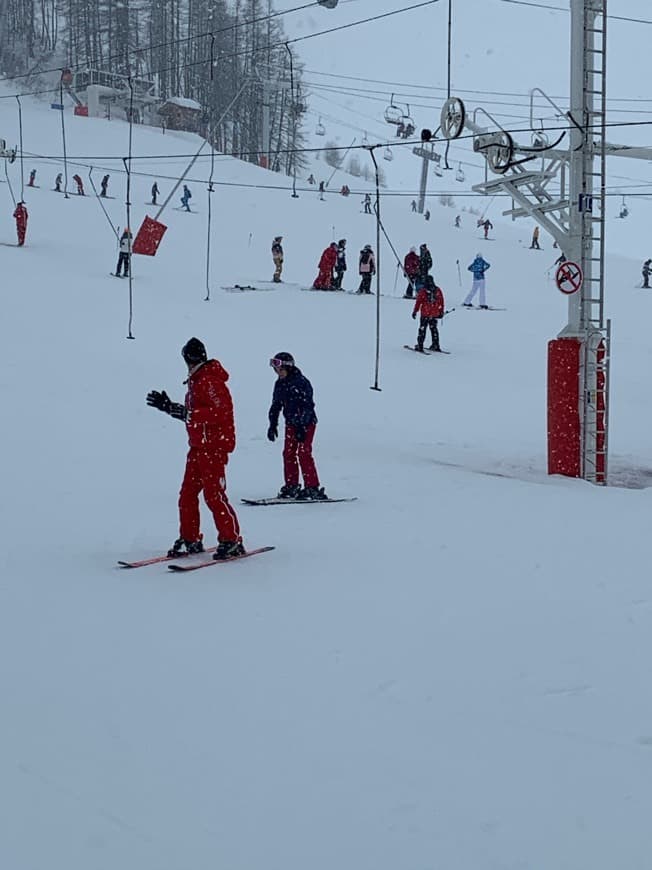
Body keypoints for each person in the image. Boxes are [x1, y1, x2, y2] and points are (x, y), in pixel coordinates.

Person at [146, 338, 244, 561]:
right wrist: (171, 408)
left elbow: (222, 412)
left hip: (214, 447)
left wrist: (188, 413)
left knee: (213, 495)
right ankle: (190, 538)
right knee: (187, 494)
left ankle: (231, 540)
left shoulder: (208, 381)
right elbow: (195, 416)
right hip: (199, 447)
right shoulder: (196, 381)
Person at [267, 352, 326, 501]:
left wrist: (301, 426)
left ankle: (312, 487)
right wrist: (272, 424)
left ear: (289, 368)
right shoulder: (280, 384)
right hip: (291, 424)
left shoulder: (301, 383)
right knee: (288, 453)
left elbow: (307, 406)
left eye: (280, 370)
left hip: (306, 423)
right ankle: (292, 485)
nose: (278, 373)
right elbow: (276, 405)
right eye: (276, 370)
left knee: (303, 453)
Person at [412, 275, 445, 352]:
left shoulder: (423, 291)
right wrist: (441, 312)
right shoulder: (438, 290)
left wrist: (415, 311)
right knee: (434, 329)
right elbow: (441, 302)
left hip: (425, 314)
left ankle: (420, 345)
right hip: (434, 313)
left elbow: (418, 302)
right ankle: (436, 344)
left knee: (422, 329)